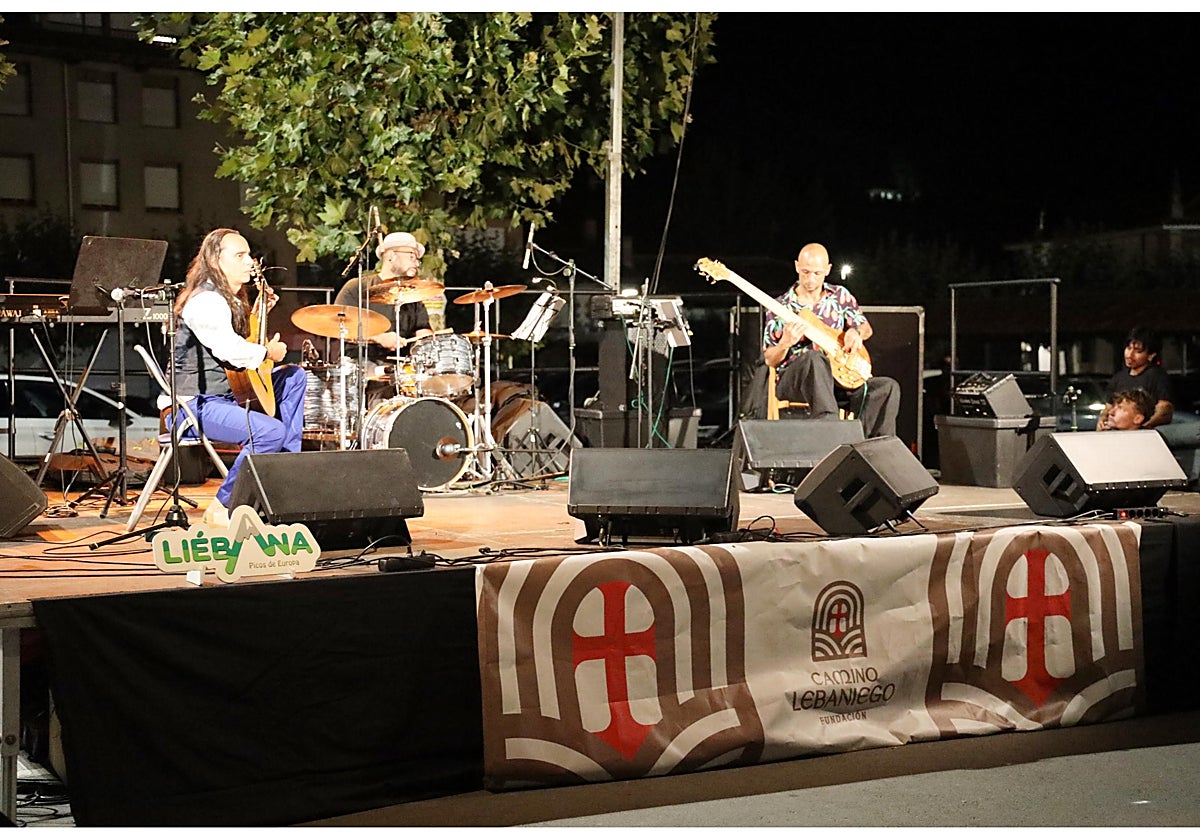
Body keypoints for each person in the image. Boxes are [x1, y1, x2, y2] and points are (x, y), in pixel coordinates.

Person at [165, 228, 307, 525]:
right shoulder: (206, 300)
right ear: (216, 260)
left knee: (294, 377)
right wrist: (269, 352)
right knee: (269, 432)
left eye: (249, 255)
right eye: (239, 255)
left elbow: (238, 345)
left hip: (226, 398)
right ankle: (222, 506)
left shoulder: (228, 300)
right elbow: (230, 349)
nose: (250, 262)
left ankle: (287, 471)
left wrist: (259, 312)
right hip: (192, 405)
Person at [763, 242, 900, 438]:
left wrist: (855, 333)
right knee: (814, 359)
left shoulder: (840, 296)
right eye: (805, 272)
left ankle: (871, 450)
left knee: (886, 387)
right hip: (796, 379)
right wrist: (785, 343)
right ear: (796, 267)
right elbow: (769, 359)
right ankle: (829, 430)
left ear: (827, 270)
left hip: (838, 378)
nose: (810, 279)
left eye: (817, 273)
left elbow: (865, 328)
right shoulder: (781, 307)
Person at [333, 230, 433, 367]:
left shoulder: (413, 295)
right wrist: (379, 337)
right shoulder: (357, 287)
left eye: (417, 259)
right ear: (391, 256)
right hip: (360, 366)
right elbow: (339, 327)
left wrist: (429, 342)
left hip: (402, 368)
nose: (416, 264)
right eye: (412, 257)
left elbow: (422, 329)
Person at [1097, 326, 1174, 430]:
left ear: (1151, 355)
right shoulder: (1118, 378)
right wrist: (1102, 420)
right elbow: (1109, 407)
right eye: (1128, 348)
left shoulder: (1158, 377)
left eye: (1137, 351)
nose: (1130, 355)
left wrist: (1143, 427)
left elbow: (1164, 411)